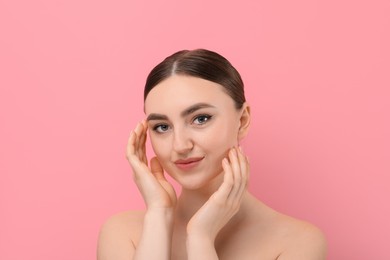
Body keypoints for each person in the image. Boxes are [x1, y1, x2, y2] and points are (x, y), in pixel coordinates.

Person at [97, 49, 327, 260]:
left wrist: (200, 238)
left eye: (200, 119)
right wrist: (159, 214)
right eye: (162, 127)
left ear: (243, 120)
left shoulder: (297, 242)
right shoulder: (123, 233)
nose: (180, 145)